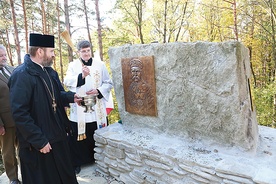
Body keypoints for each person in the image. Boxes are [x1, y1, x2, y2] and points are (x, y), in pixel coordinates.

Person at [8, 33, 81, 184]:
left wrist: (70, 97)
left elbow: (55, 96)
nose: (54, 55)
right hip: (39, 144)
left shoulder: (49, 71)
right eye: (52, 51)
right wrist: (38, 140)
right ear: (40, 51)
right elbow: (20, 113)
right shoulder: (21, 75)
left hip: (57, 137)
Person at [64, 40, 113, 174]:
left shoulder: (100, 64)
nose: (86, 53)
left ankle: (99, 159)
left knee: (96, 132)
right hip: (80, 106)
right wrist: (82, 76)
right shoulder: (73, 65)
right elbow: (67, 81)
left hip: (97, 106)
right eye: (83, 51)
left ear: (91, 50)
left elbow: (108, 83)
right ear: (79, 52)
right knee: (78, 136)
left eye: (88, 50)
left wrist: (98, 91)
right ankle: (77, 162)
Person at [0, 45, 21, 184]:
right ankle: (13, 178)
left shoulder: (14, 69)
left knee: (24, 148)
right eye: (1, 56)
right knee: (8, 152)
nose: (4, 58)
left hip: (21, 117)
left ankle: (27, 171)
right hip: (5, 121)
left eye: (5, 55)